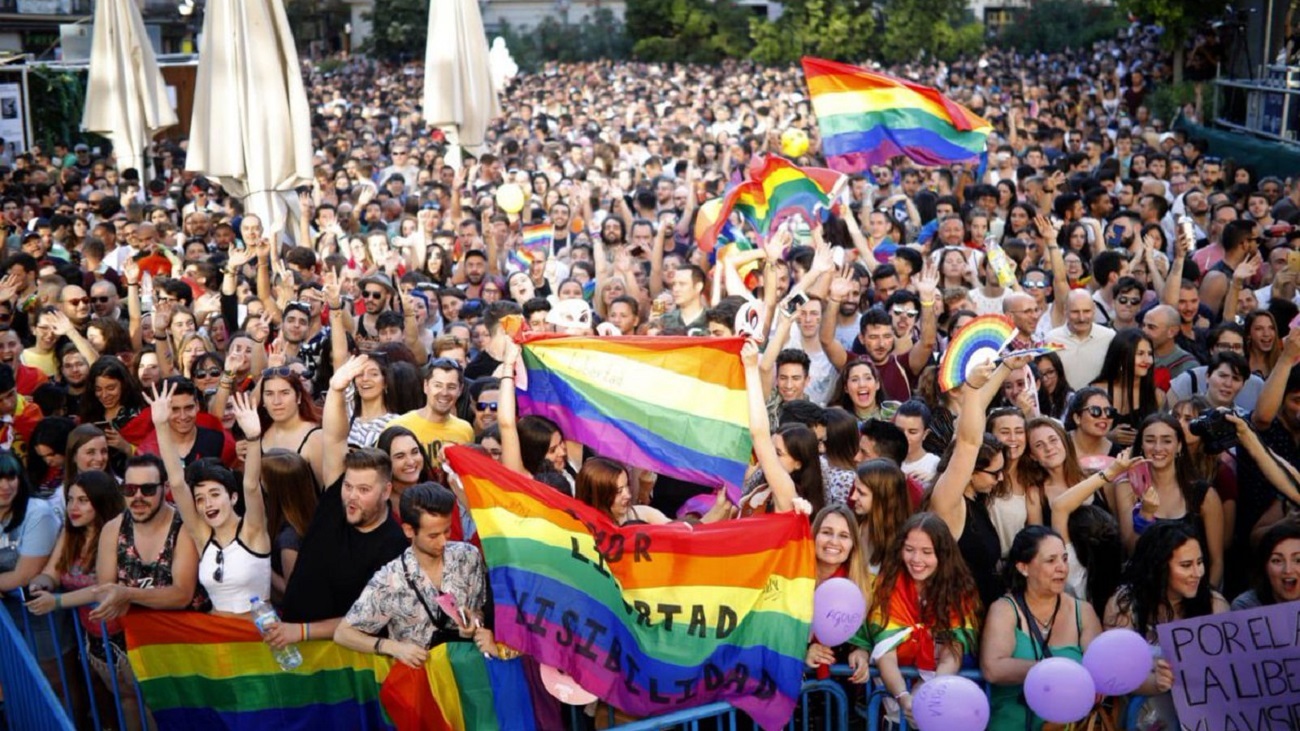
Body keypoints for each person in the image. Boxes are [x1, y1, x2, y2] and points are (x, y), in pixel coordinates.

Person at [333, 483, 493, 666]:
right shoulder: (390, 579)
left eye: (446, 531)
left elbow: (479, 608)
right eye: (433, 536)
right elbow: (343, 633)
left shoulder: (468, 556)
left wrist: (474, 620)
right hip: (419, 683)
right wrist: (393, 647)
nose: (443, 541)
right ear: (409, 530)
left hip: (470, 675)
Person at [846, 512, 981, 725]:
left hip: (940, 699)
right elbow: (885, 653)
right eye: (909, 550)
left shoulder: (958, 592)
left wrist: (932, 696)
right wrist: (903, 697)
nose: (916, 560)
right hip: (893, 697)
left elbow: (952, 652)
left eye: (927, 552)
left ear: (943, 554)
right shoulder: (886, 587)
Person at [154, 384, 270, 615]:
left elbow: (251, 485)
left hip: (259, 639)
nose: (207, 504)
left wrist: (254, 438)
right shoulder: (201, 535)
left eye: (215, 495)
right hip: (218, 639)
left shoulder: (253, 530)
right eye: (200, 498)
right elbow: (177, 482)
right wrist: (161, 425)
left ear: (233, 497)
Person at [929, 354, 1033, 607]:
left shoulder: (975, 497)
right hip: (959, 619)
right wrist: (972, 388)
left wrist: (1006, 367)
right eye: (994, 473)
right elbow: (967, 441)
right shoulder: (949, 500)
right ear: (969, 470)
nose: (1000, 479)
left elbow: (969, 417)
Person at [1104, 521, 1229, 730]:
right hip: (1143, 714)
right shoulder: (1125, 604)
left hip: (1205, 714)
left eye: (1200, 562)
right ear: (1159, 567)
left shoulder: (1215, 604)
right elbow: (1118, 671)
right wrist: (1156, 683)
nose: (1197, 573)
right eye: (1186, 565)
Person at [23, 470, 123, 727]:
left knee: (134, 701)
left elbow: (105, 587)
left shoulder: (115, 534)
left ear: (100, 502)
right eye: (70, 499)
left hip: (123, 637)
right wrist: (39, 584)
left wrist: (55, 602)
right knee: (103, 698)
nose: (73, 507)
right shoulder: (70, 533)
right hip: (90, 637)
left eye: (83, 500)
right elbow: (50, 573)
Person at [278, 447, 407, 642]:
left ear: (386, 491)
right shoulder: (335, 502)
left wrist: (302, 631)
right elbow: (334, 437)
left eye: (364, 490)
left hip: (338, 657)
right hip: (288, 641)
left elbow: (367, 616)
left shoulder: (395, 548)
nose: (352, 496)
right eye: (348, 486)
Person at [982, 526, 1102, 731]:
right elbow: (993, 669)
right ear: (1024, 568)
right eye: (1051, 560)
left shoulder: (1083, 611)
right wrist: (1054, 672)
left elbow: (1101, 674)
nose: (1062, 567)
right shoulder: (1004, 609)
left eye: (1064, 559)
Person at [1116, 413, 1226, 588]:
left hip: (1194, 594)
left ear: (1179, 446)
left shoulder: (1204, 495)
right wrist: (1145, 514)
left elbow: (1217, 562)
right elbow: (1132, 550)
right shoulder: (1127, 487)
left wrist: (1207, 600)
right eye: (1150, 440)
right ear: (1142, 445)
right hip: (1146, 591)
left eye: (1167, 441)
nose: (1158, 448)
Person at [804, 505, 873, 682]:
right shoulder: (792, 580)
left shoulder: (864, 585)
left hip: (841, 687)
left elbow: (867, 637)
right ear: (814, 536)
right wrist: (803, 651)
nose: (834, 541)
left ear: (853, 544)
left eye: (844, 536)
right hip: (794, 691)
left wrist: (861, 653)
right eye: (827, 532)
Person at [387, 358, 475, 455]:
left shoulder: (465, 430)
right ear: (426, 386)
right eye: (437, 385)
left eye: (451, 387)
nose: (444, 393)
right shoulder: (399, 426)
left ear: (460, 390)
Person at [849, 458, 912, 575]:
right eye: (854, 489)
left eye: (861, 493)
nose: (853, 497)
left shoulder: (903, 541)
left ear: (882, 497)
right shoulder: (853, 524)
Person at [575, 457, 671, 525]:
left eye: (627, 486)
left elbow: (678, 533)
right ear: (597, 494)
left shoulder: (646, 516)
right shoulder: (580, 531)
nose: (628, 495)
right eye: (618, 491)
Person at [1231, 520, 1300, 609]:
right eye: (1277, 561)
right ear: (1265, 567)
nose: (1288, 570)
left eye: (1298, 560)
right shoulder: (1246, 606)